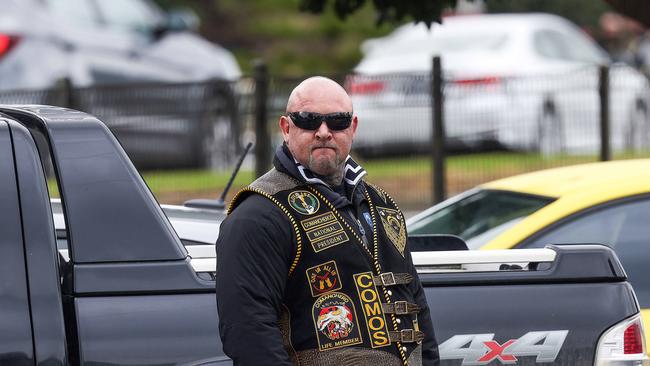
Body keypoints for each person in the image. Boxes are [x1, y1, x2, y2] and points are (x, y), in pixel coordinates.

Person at [216, 76, 439, 366]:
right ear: (286, 127)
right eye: (308, 120)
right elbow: (248, 332)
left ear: (353, 127)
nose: (323, 132)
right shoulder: (258, 214)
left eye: (337, 121)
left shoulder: (382, 205)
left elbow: (418, 310)